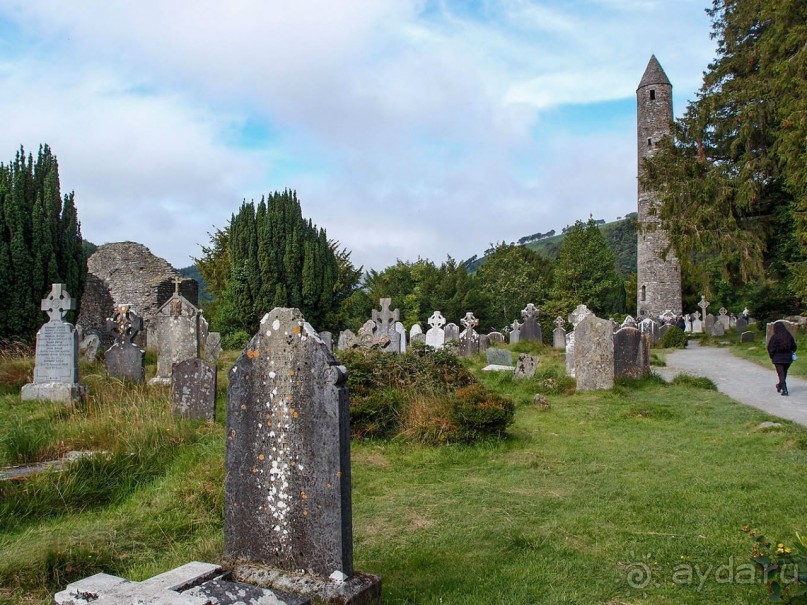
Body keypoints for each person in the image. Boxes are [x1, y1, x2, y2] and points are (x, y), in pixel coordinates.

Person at [767, 322, 797, 396]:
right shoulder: (788, 336)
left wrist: (772, 356)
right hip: (788, 358)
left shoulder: (775, 337)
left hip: (778, 358)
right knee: (784, 372)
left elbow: (770, 348)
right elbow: (794, 347)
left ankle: (785, 389)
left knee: (781, 373)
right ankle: (780, 385)